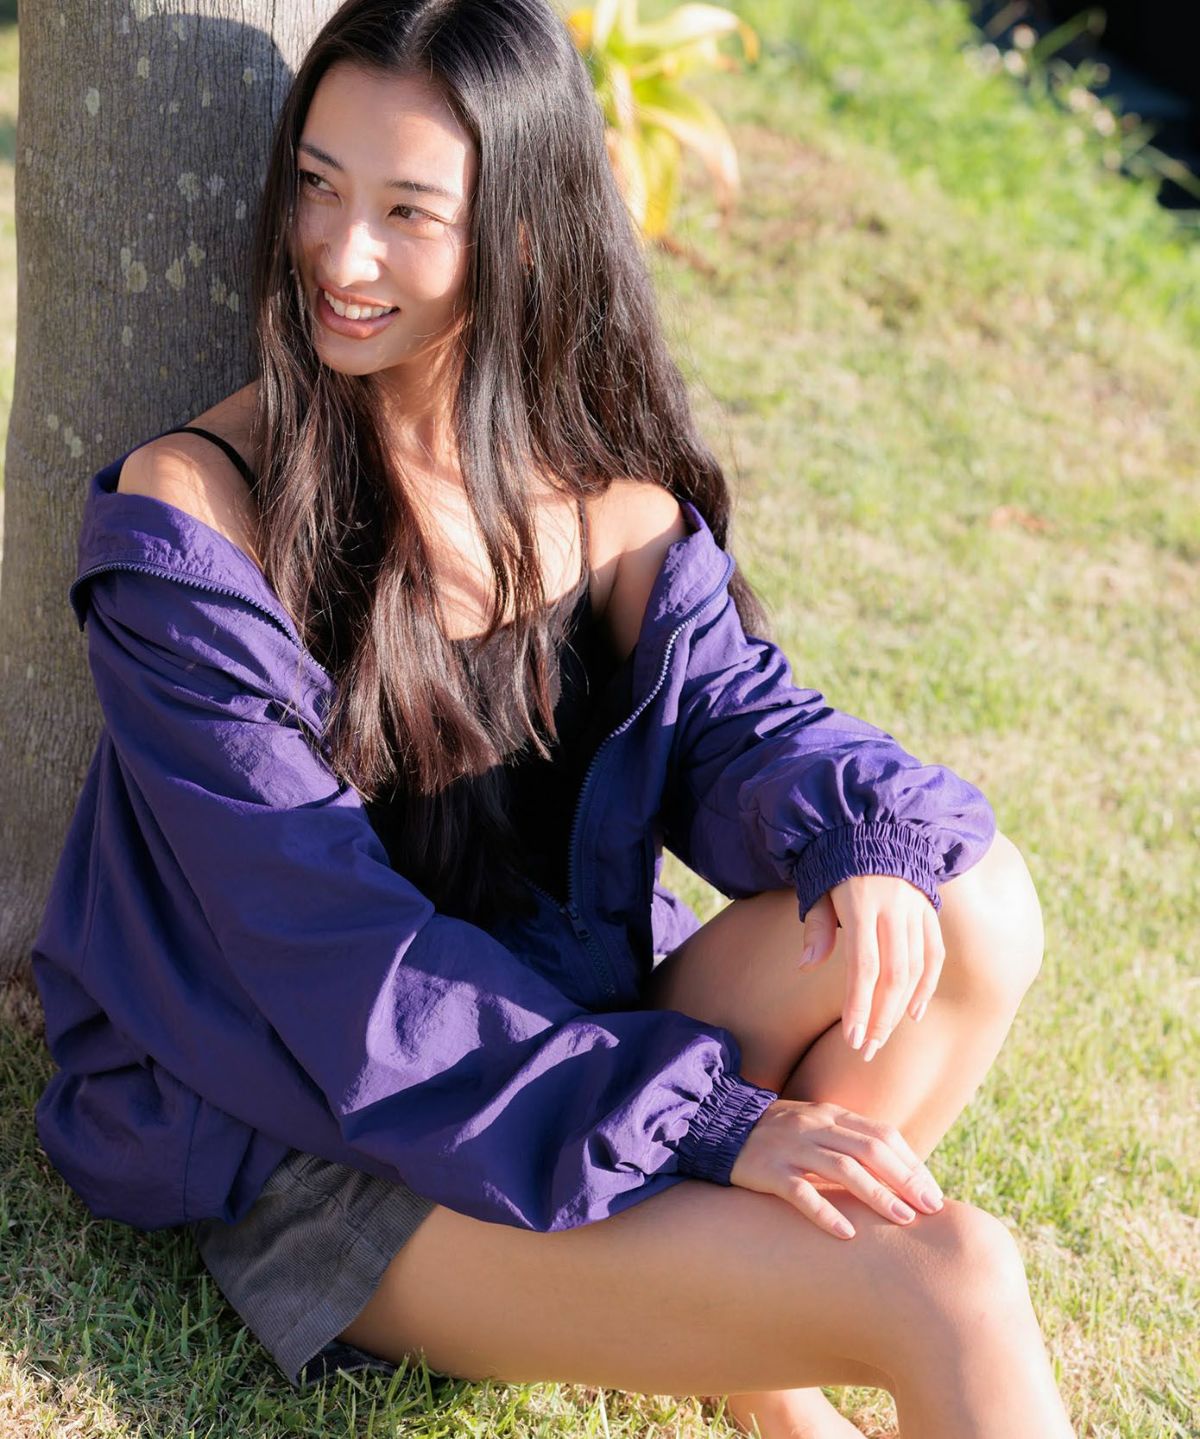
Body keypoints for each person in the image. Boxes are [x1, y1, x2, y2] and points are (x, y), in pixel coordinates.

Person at [30, 1, 1076, 1435]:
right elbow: (337, 964)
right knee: (952, 1281)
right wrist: (711, 1123)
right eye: (320, 187)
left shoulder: (605, 508)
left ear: (523, 233)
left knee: (970, 903)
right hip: (324, 1138)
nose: (342, 254)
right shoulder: (197, 524)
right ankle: (761, 1347)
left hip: (559, 1056)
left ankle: (743, 1345)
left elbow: (752, 730)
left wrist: (866, 839)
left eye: (410, 212)